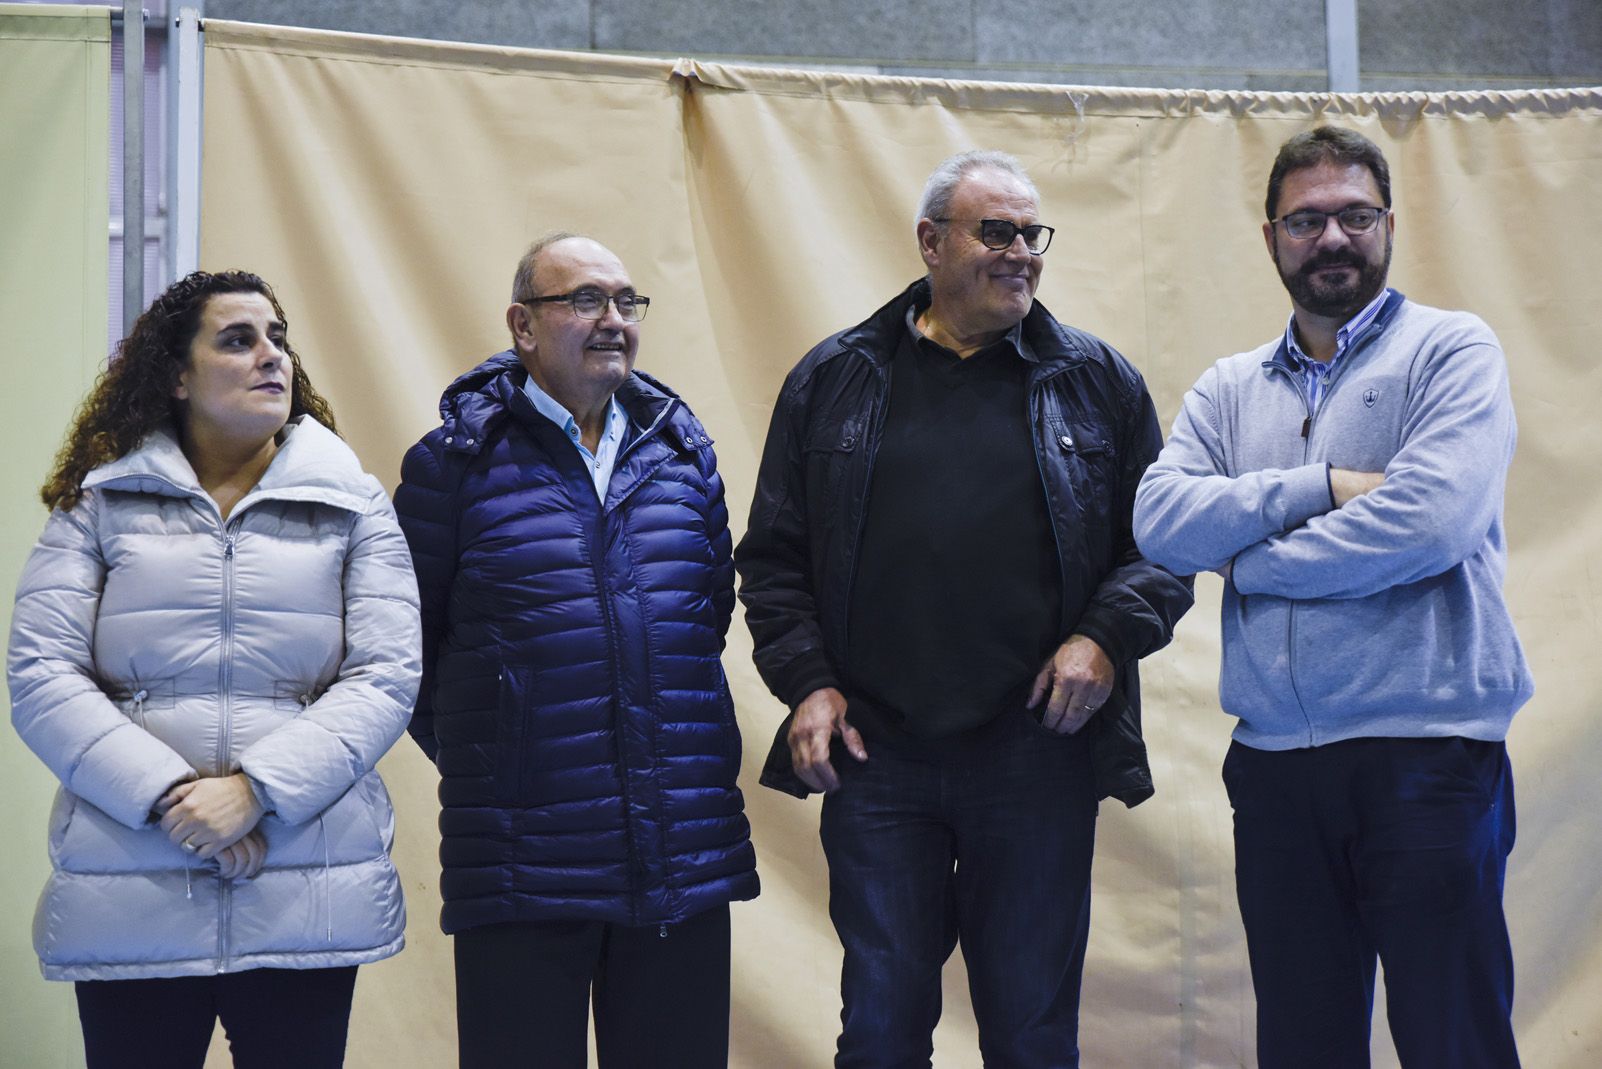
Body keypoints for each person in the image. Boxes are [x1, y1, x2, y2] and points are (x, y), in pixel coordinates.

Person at [735, 150, 1192, 1067]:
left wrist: (1103, 639)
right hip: (878, 757)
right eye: (997, 232)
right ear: (931, 242)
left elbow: (1166, 549)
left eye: (1033, 234)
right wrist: (809, 684)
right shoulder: (834, 380)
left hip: (1037, 755)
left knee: (1029, 1031)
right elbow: (774, 561)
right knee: (881, 1027)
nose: (1021, 251)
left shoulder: (1097, 383)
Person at [1133, 125, 1531, 1068]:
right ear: (1271, 238)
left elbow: (1427, 524)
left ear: (1388, 225)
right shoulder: (1230, 389)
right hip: (1277, 772)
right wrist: (1317, 487)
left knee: (1454, 1040)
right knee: (1305, 1047)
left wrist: (1254, 562)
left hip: (1429, 759)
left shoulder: (1452, 352)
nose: (1333, 238)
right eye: (1306, 220)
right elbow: (1159, 521)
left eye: (1355, 215)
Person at [7, 270, 422, 1068]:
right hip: (133, 888)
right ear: (177, 374)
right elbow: (41, 675)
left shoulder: (357, 503)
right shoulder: (95, 504)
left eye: (278, 338)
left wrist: (253, 793)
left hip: (306, 890)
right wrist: (169, 797)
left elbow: (387, 675)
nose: (272, 356)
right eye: (238, 339)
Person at [394, 233, 758, 1068]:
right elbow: (406, 650)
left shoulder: (682, 452)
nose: (613, 321)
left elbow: (706, 618)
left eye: (627, 302)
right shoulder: (453, 463)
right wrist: (502, 757)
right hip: (521, 866)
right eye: (586, 300)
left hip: (679, 850)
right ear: (523, 324)